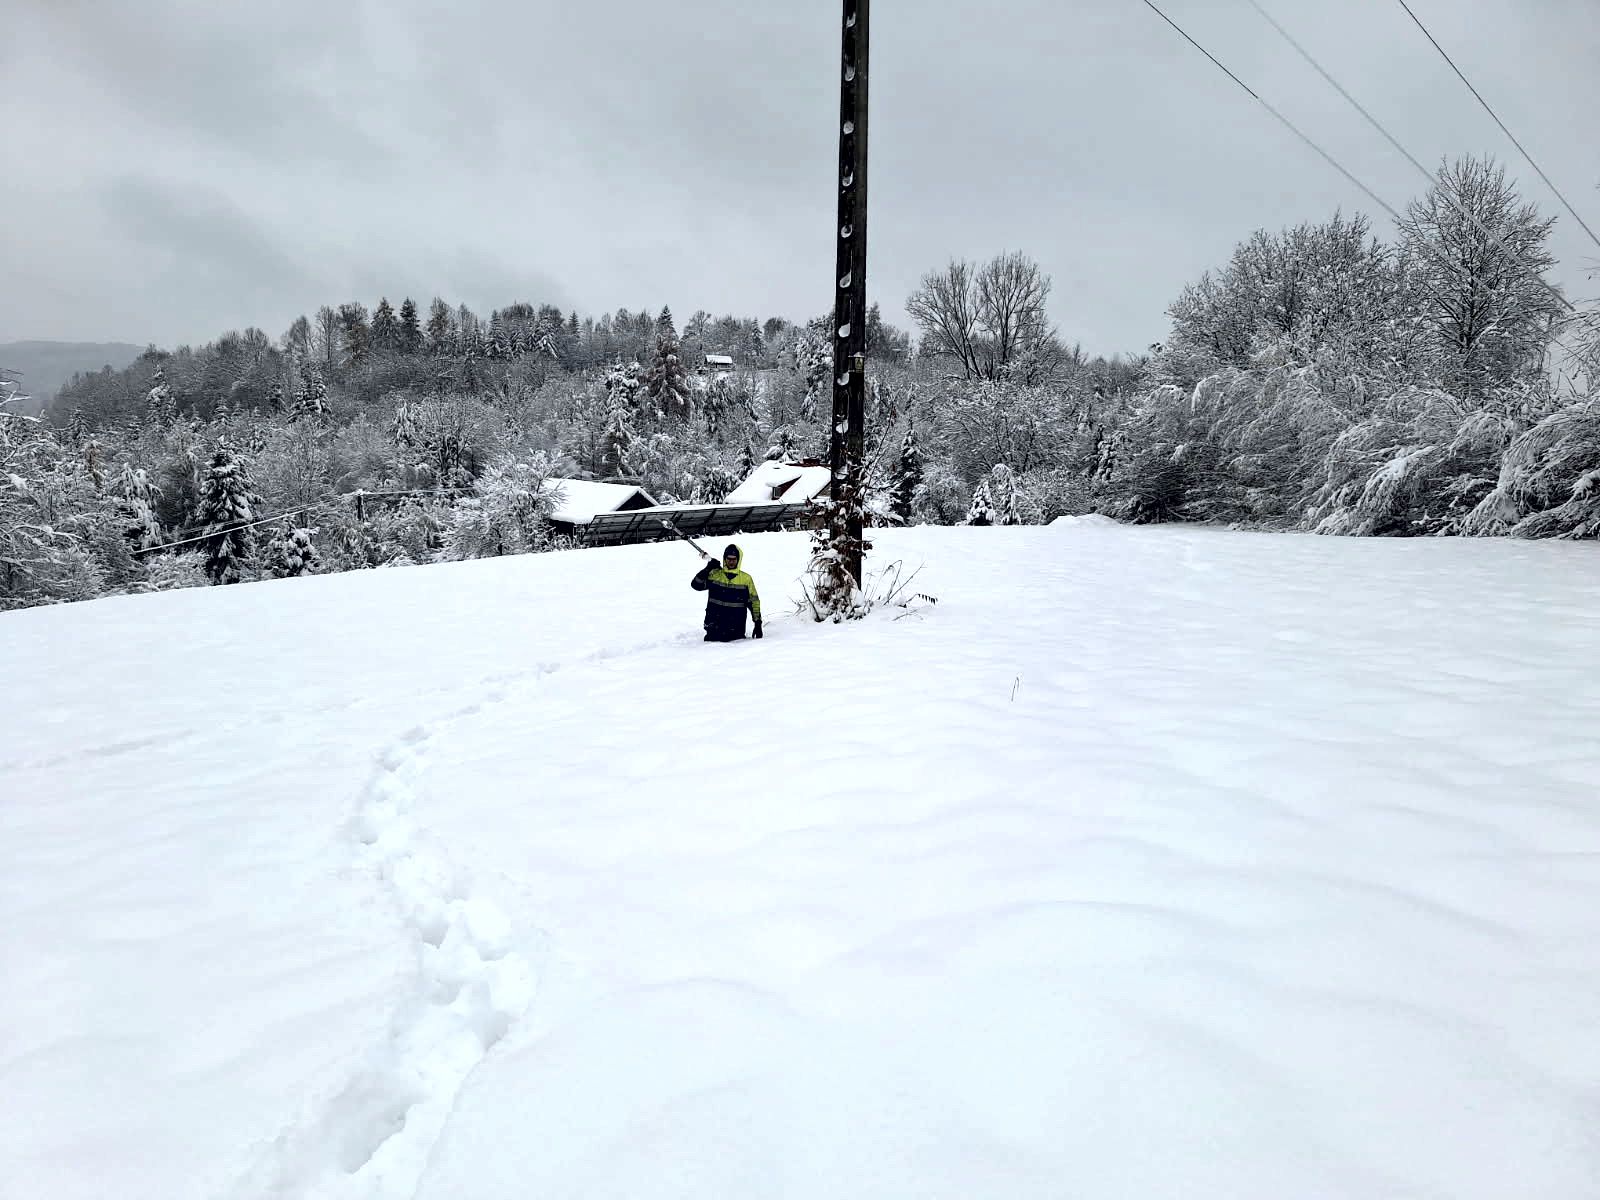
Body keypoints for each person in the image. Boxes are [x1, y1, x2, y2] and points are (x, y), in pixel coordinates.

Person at [691, 543, 762, 642]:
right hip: (713, 630)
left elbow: (754, 602)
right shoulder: (715, 575)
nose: (731, 562)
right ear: (725, 559)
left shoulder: (746, 579)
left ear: (738, 560)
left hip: (736, 633)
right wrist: (707, 569)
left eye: (734, 559)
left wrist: (757, 623)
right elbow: (696, 585)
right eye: (729, 559)